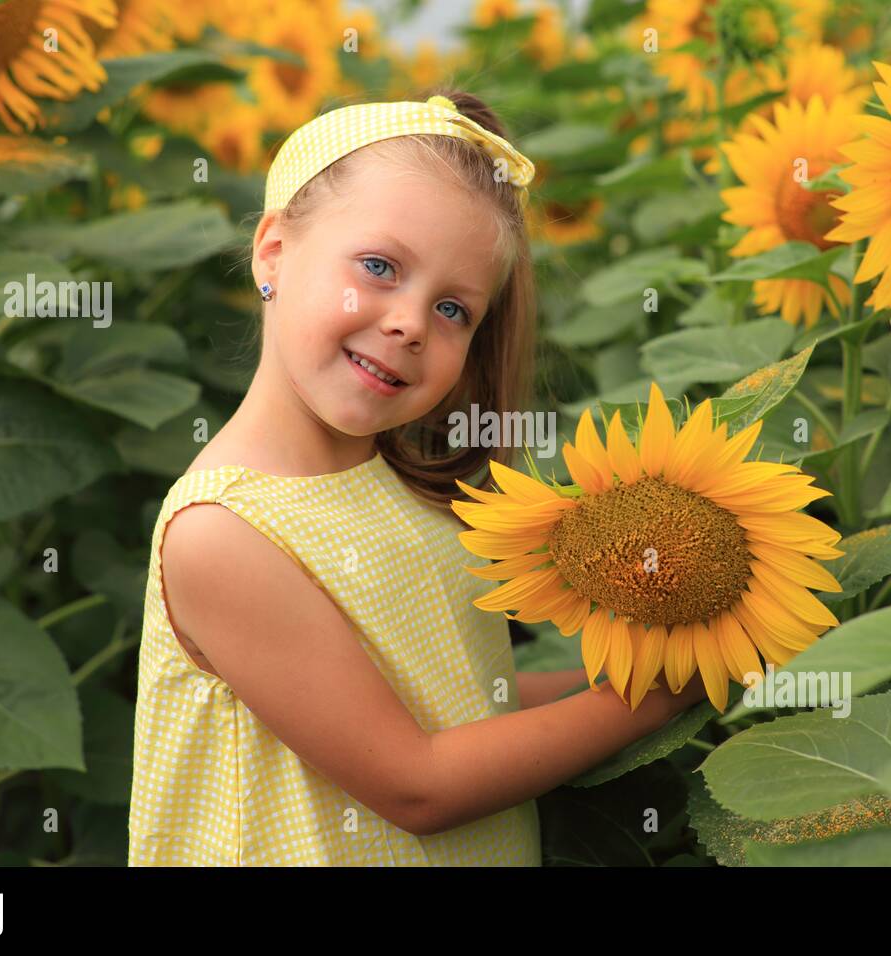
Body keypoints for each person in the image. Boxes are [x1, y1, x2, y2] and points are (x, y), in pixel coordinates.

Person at [128, 89, 708, 866]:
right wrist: (657, 701)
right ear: (273, 251)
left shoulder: (405, 490)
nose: (408, 322)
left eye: (453, 310)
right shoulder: (223, 532)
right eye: (378, 267)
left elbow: (464, 704)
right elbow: (417, 784)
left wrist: (646, 664)